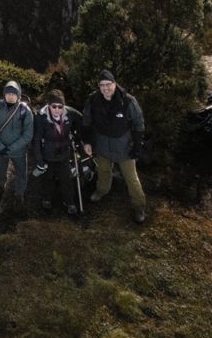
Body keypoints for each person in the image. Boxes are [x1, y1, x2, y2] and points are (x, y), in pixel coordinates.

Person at [82, 69, 148, 224]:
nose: (105, 88)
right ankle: (101, 191)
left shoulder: (128, 101)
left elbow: (139, 123)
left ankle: (139, 206)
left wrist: (137, 146)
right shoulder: (93, 100)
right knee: (103, 171)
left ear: (115, 83)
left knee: (131, 178)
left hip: (124, 147)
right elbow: (86, 122)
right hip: (102, 145)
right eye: (102, 85)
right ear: (98, 86)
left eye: (108, 84)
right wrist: (87, 142)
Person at [29, 89, 85, 216]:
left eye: (60, 106)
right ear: (49, 105)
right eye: (54, 106)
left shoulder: (70, 113)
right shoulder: (41, 117)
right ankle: (46, 199)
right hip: (48, 154)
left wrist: (78, 136)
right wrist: (39, 160)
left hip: (64, 153)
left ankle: (69, 202)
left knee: (67, 178)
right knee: (47, 178)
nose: (57, 109)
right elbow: (36, 140)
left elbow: (82, 120)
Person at [0, 79, 33, 205]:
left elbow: (28, 134)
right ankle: (1, 185)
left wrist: (11, 148)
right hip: (0, 148)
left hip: (18, 151)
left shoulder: (25, 111)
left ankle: (19, 193)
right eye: (8, 94)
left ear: (18, 94)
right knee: (1, 169)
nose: (11, 96)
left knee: (20, 172)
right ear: (4, 94)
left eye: (14, 94)